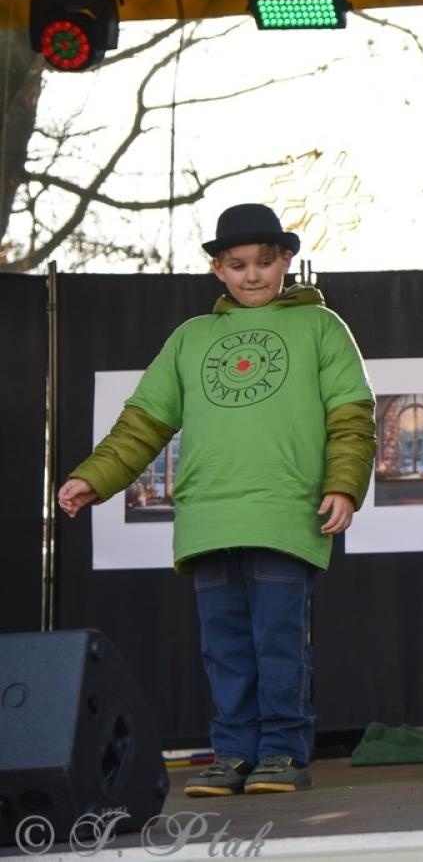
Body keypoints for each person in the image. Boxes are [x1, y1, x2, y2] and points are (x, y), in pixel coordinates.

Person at [57, 203, 375, 797]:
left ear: (286, 260)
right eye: (238, 264)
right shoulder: (191, 338)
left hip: (286, 515)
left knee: (279, 644)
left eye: (263, 262)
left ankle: (282, 752)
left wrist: (344, 485)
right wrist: (94, 478)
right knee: (225, 649)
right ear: (217, 269)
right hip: (208, 520)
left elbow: (352, 418)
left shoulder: (322, 327)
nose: (252, 274)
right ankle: (232, 754)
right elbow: (142, 424)